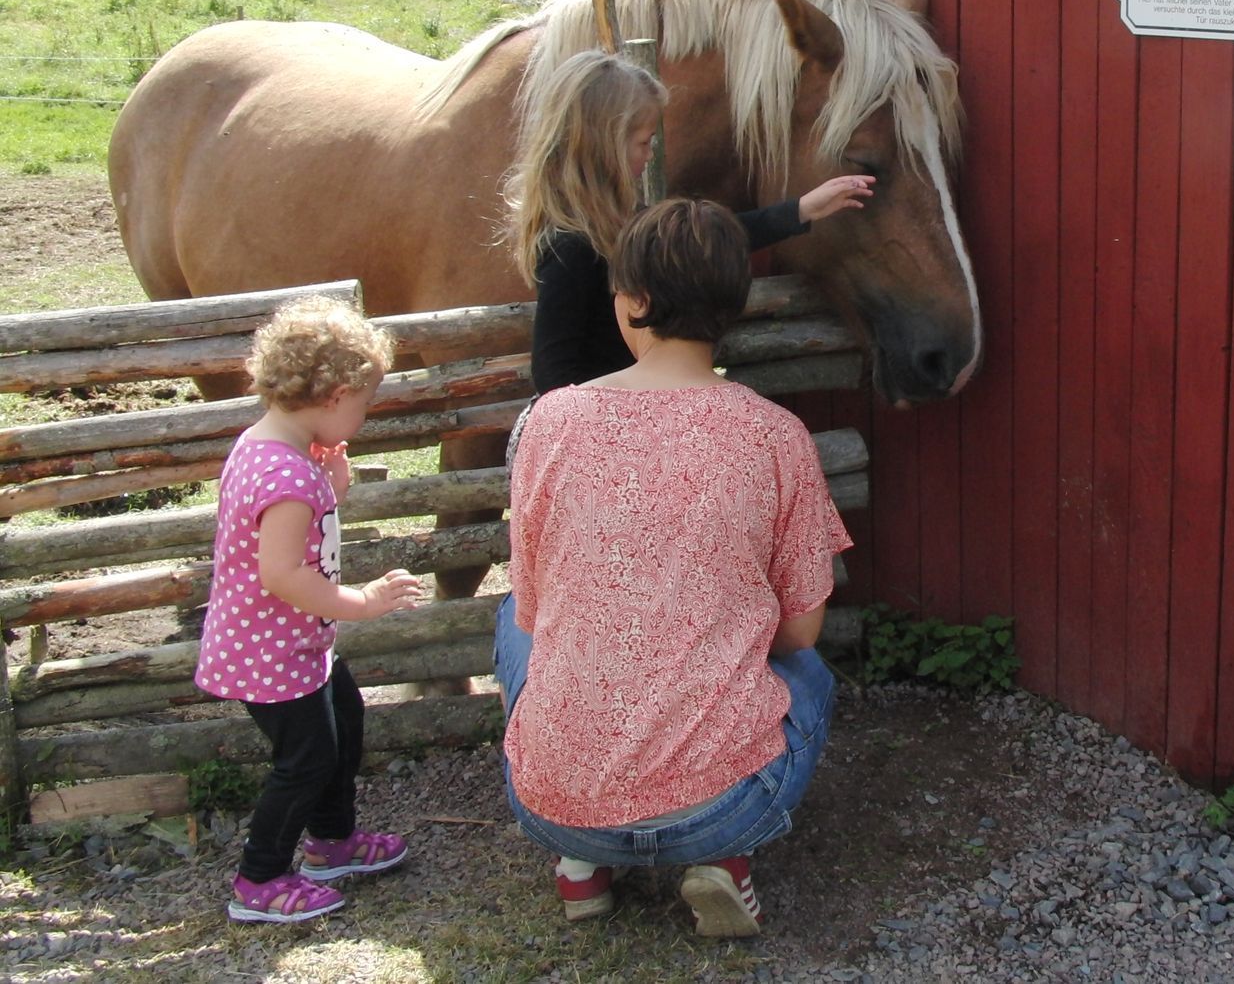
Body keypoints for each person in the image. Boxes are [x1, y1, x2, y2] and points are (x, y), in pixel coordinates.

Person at [494, 198, 853, 936]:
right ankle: (728, 859)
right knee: (810, 677)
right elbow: (800, 629)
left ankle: (580, 867)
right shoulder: (776, 435)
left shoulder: (549, 422)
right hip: (723, 807)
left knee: (515, 622)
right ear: (733, 305)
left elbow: (534, 612)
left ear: (634, 301)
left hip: (553, 806)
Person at [194, 296, 422, 924]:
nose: (362, 415)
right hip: (272, 654)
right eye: (362, 403)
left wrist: (334, 484)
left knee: (343, 722)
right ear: (335, 395)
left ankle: (331, 842)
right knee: (307, 759)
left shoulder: (270, 447)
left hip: (297, 647)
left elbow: (301, 529)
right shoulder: (287, 476)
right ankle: (259, 879)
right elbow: (282, 572)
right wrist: (362, 603)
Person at [503, 48, 873, 395]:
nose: (650, 154)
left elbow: (702, 241)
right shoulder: (571, 244)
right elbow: (553, 368)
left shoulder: (621, 219)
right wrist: (605, 427)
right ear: (606, 145)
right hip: (607, 430)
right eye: (644, 142)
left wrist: (803, 209)